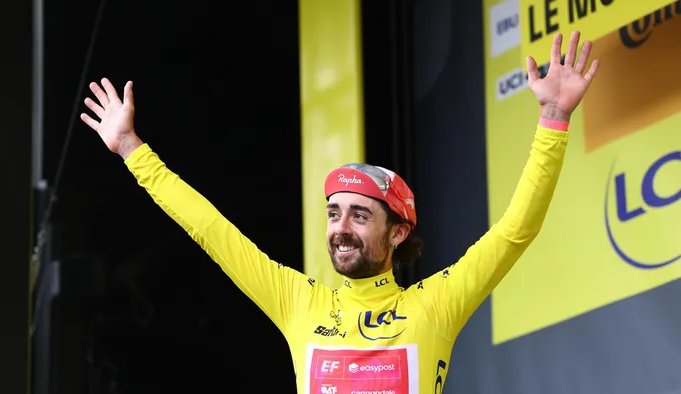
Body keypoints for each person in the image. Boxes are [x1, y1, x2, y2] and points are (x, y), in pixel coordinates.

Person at [81, 31, 599, 393]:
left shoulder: (435, 305)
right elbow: (208, 228)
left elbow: (516, 230)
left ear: (398, 233)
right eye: (333, 214)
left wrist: (554, 118)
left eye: (359, 215)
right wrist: (130, 149)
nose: (340, 229)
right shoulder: (298, 303)